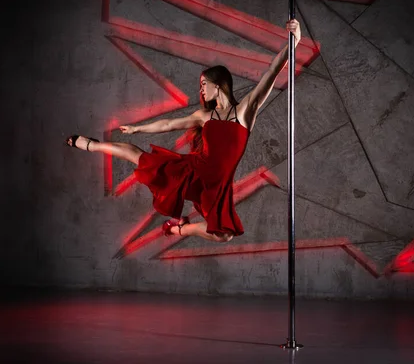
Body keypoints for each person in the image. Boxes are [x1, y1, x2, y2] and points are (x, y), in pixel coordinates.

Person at [67, 19, 301, 243]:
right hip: (193, 173)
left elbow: (272, 71)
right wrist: (138, 128)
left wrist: (295, 41)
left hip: (217, 186)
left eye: (203, 84)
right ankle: (93, 144)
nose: (201, 89)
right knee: (139, 157)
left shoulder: (244, 111)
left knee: (225, 235)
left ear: (217, 84)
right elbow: (169, 124)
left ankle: (181, 229)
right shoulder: (203, 117)